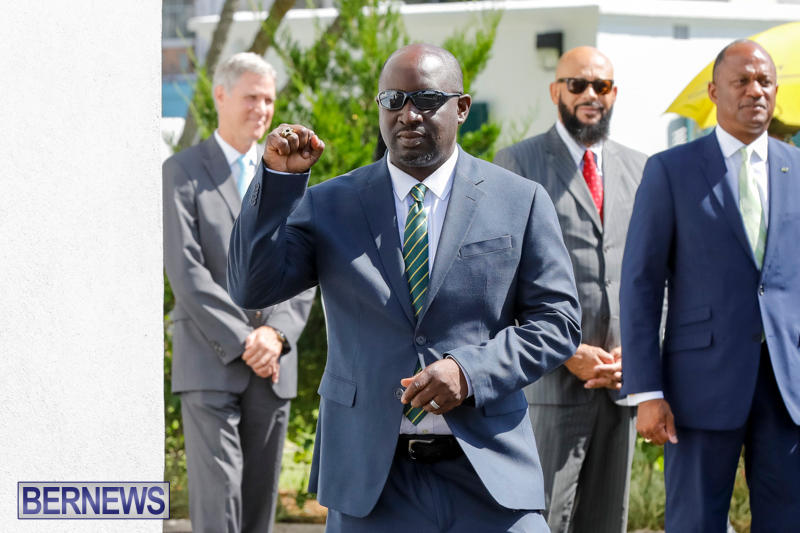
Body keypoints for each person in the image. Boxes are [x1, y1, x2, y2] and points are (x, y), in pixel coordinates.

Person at [227, 43, 581, 532]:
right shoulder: (331, 204)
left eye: (426, 100)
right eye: (393, 100)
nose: (408, 114)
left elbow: (558, 323)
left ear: (462, 107)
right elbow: (251, 286)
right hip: (372, 482)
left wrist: (470, 371)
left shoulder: (519, 200)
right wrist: (277, 186)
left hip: (489, 473)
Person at [620, 40, 800, 532]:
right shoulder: (670, 170)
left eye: (765, 81)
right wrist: (646, 391)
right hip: (698, 387)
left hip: (788, 388)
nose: (755, 91)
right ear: (714, 91)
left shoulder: (796, 168)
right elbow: (640, 284)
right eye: (742, 81)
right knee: (695, 522)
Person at [494, 46, 646, 533]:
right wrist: (566, 350)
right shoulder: (517, 163)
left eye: (601, 86)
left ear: (614, 94)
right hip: (549, 384)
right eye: (578, 84)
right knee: (540, 521)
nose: (590, 95)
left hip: (621, 384)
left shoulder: (641, 168)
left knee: (607, 522)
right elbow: (501, 280)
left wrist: (640, 351)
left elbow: (655, 274)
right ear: (555, 90)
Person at [162, 52, 315, 533]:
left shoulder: (290, 174)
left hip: (273, 364)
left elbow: (305, 263)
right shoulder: (181, 171)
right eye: (252, 97)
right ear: (220, 95)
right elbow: (185, 270)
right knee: (219, 502)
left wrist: (277, 334)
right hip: (210, 362)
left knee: (258, 509)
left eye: (269, 99)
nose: (263, 109)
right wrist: (247, 338)